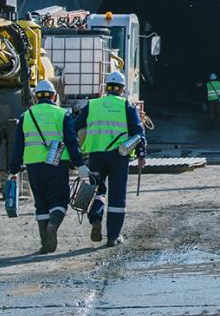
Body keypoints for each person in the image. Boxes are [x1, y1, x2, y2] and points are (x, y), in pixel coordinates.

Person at [10, 80, 90, 254]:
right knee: (59, 200)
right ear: (54, 96)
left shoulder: (25, 116)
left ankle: (45, 242)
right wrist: (80, 164)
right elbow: (71, 142)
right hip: (56, 164)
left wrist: (13, 169)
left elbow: (17, 146)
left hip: (33, 165)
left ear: (36, 97)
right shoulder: (62, 114)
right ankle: (53, 225)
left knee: (41, 203)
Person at [75, 71, 145, 247]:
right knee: (117, 195)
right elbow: (138, 133)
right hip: (119, 156)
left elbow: (75, 126)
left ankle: (96, 218)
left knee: (97, 190)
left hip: (96, 155)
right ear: (122, 89)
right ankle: (113, 236)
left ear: (106, 88)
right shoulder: (127, 106)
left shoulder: (92, 105)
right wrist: (141, 155)